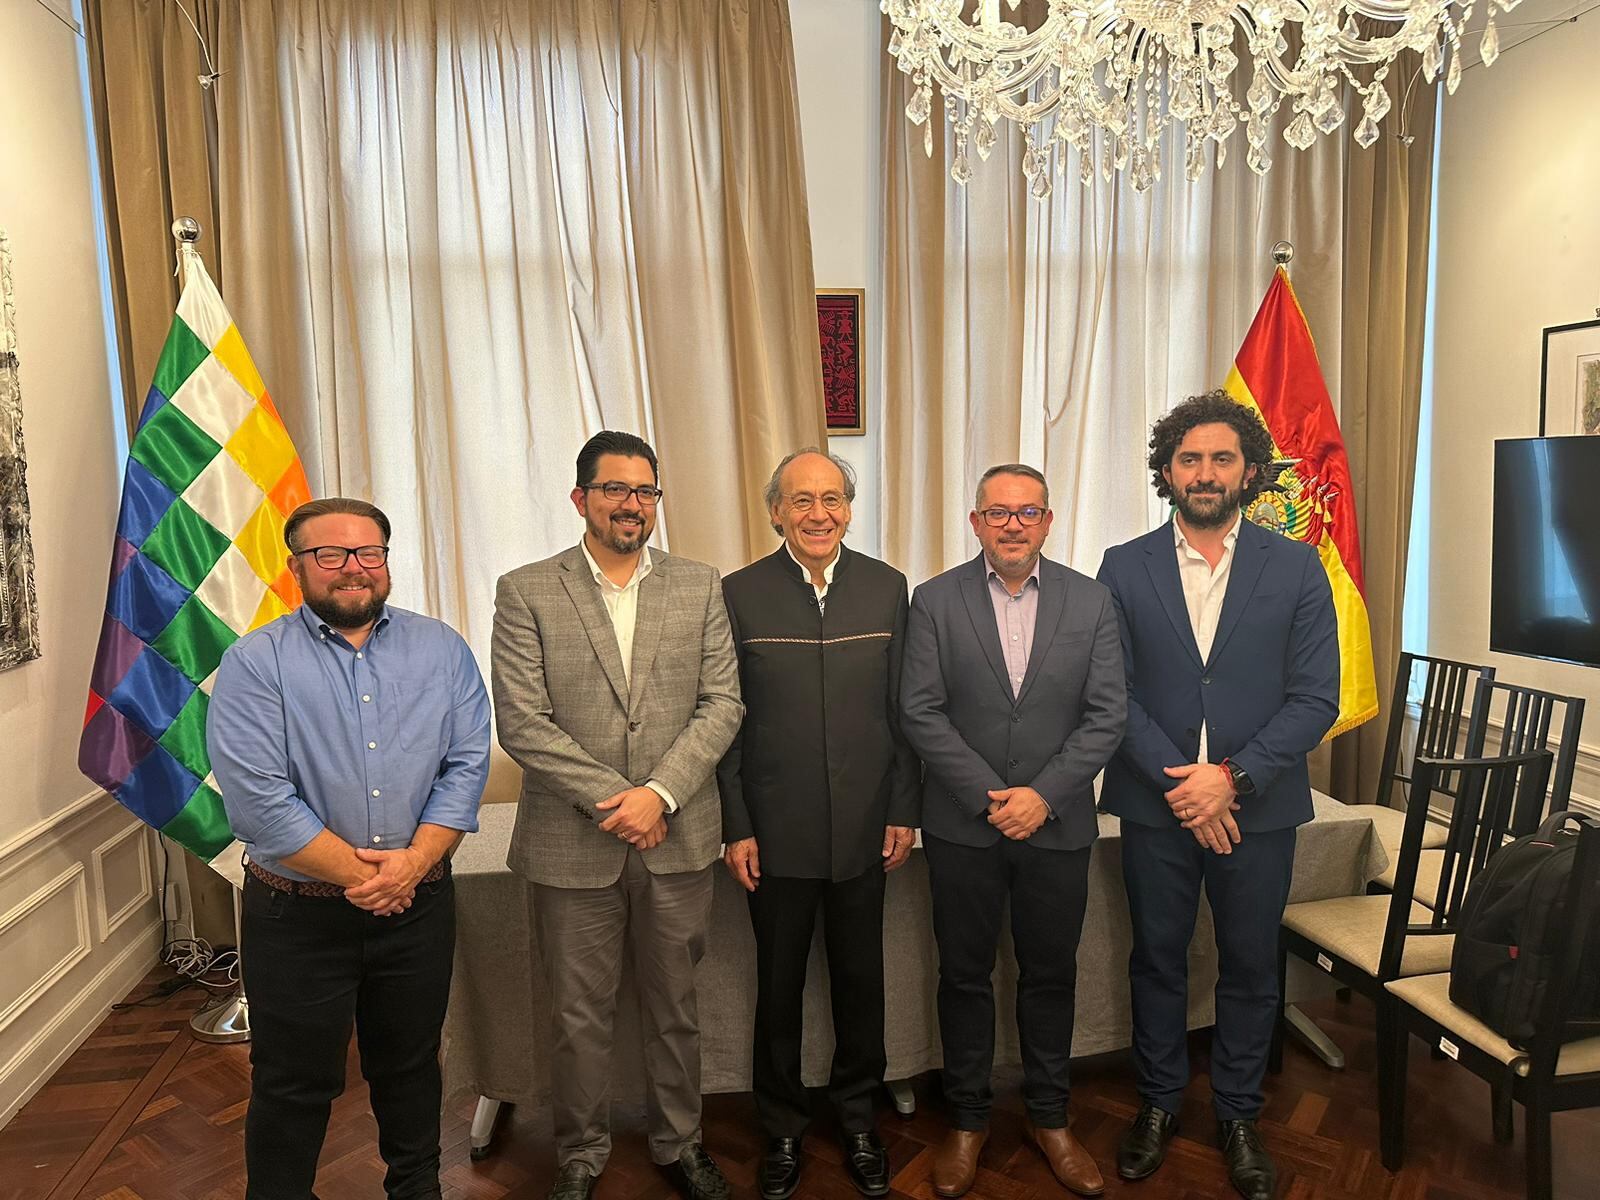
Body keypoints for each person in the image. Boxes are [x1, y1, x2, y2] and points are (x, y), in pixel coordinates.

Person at [209, 497, 490, 1200]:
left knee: (411, 1068)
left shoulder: (441, 649)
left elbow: (465, 766)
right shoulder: (254, 663)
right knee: (292, 1083)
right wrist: (375, 878)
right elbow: (258, 802)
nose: (353, 569)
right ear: (297, 566)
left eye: (369, 552)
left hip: (419, 909)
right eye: (329, 555)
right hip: (297, 917)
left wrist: (413, 868)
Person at [1096, 391, 1339, 1200]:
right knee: (1157, 961)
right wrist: (1184, 784)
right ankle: (1160, 1103)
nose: (1205, 473)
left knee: (1248, 967)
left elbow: (1316, 698)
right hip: (1154, 804)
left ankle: (1238, 1114)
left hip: (1257, 808)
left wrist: (1228, 780)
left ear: (1250, 471)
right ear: (1167, 471)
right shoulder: (1123, 565)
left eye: (1222, 458)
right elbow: (1113, 693)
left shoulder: (1297, 566)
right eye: (1189, 458)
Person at [491, 431, 743, 1200]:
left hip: (679, 835)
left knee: (676, 1010)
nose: (632, 504)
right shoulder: (526, 588)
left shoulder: (701, 586)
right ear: (581, 499)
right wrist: (620, 804)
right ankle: (579, 1155)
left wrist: (659, 794)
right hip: (572, 844)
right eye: (615, 490)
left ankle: (681, 1143)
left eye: (645, 492)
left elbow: (722, 702)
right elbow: (523, 722)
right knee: (577, 1017)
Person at [900, 464, 1126, 1200]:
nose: (1012, 525)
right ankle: (966, 1121)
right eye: (998, 512)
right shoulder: (933, 601)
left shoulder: (1092, 603)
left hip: (1057, 828)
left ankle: (1050, 1117)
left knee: (1050, 976)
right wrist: (992, 797)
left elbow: (1107, 715)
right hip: (964, 828)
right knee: (963, 977)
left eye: (1027, 512)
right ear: (975, 522)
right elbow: (921, 711)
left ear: (1049, 521)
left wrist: (1045, 795)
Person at [718, 449, 919, 1200]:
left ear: (849, 508)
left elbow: (904, 713)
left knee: (861, 981)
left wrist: (904, 808)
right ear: (775, 511)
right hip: (774, 835)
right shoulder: (738, 593)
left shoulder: (886, 587)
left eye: (832, 499)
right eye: (800, 500)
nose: (818, 514)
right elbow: (726, 722)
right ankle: (780, 1129)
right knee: (777, 990)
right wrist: (737, 824)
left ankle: (859, 1118)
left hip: (868, 831)